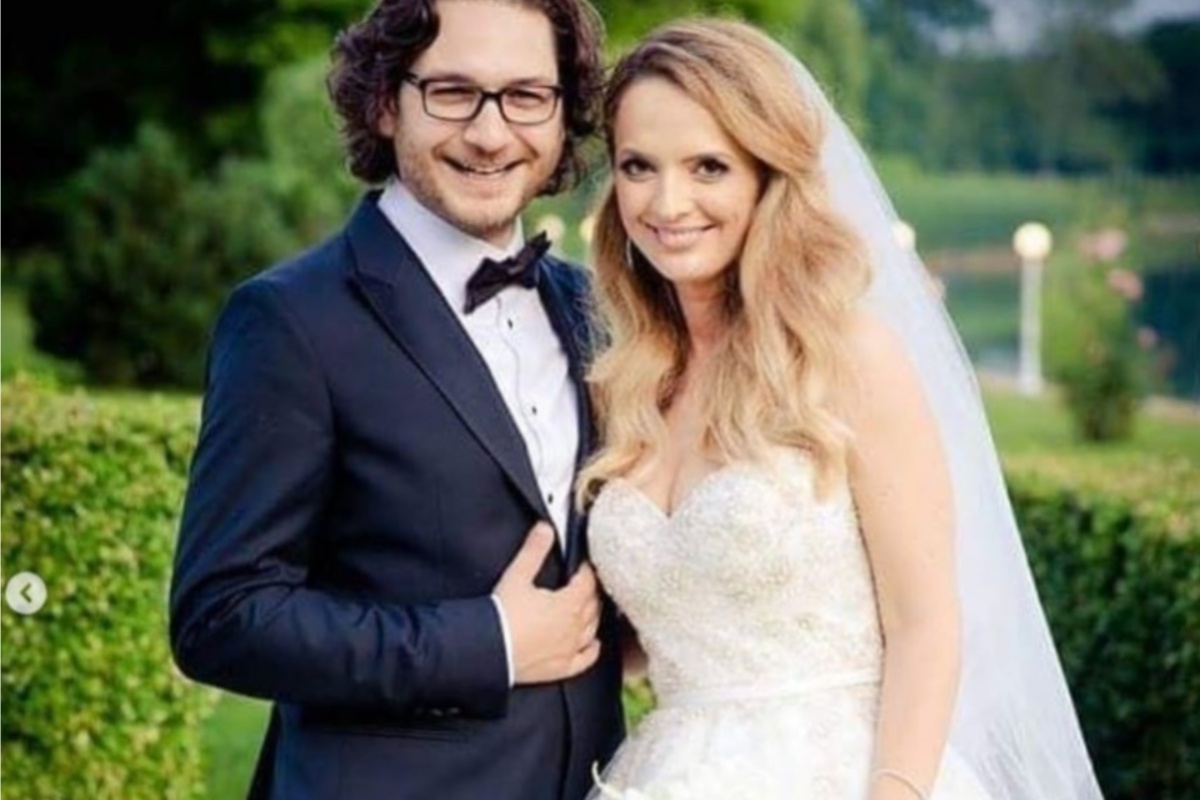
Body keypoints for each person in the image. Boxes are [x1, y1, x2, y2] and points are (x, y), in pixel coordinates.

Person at [578, 18, 1104, 800]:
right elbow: (662, 621)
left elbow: (926, 625)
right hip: (666, 772)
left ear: (768, 176)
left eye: (709, 166)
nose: (667, 201)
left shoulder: (849, 355)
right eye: (638, 167)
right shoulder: (631, 380)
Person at [168, 1, 625, 798]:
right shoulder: (291, 320)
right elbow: (222, 616)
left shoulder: (595, 309)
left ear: (563, 112)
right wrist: (488, 643)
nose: (491, 134)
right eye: (453, 92)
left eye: (526, 96)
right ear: (385, 101)